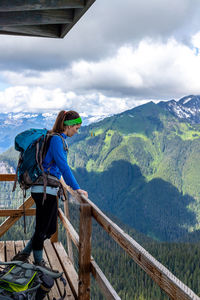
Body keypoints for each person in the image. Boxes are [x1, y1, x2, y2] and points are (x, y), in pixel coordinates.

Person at [12, 110, 88, 268]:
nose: (77, 131)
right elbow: (63, 166)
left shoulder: (58, 139)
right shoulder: (56, 140)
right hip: (44, 191)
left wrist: (64, 183)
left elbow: (55, 166)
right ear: (68, 126)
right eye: (76, 127)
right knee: (42, 227)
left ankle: (25, 253)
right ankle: (39, 262)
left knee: (50, 227)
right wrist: (76, 188)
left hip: (47, 190)